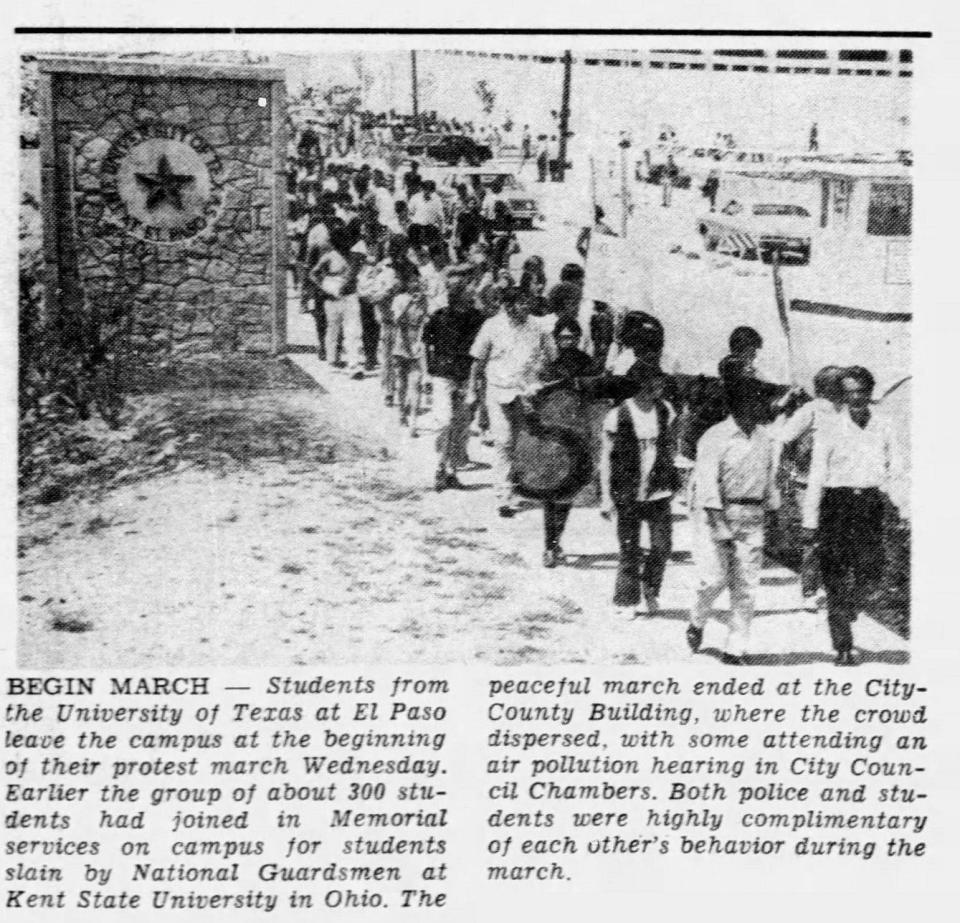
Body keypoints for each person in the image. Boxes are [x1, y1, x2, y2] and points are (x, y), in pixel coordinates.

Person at [802, 366, 907, 666]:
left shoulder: (885, 425)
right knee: (835, 575)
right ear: (842, 396)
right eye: (849, 393)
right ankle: (843, 646)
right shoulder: (830, 427)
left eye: (862, 391)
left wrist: (903, 507)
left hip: (870, 505)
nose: (856, 398)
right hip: (837, 505)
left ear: (871, 392)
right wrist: (810, 521)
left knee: (871, 571)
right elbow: (817, 475)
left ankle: (851, 604)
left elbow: (896, 469)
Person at [686, 377, 780, 665]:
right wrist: (719, 525)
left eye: (762, 400)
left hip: (752, 517)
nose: (761, 405)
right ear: (738, 403)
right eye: (755, 400)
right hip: (718, 515)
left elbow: (769, 479)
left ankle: (734, 648)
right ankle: (697, 619)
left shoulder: (765, 438)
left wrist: (773, 514)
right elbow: (706, 486)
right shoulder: (715, 436)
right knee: (713, 580)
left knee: (746, 586)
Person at [468, 286, 557, 516]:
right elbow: (477, 362)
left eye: (527, 302)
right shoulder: (492, 326)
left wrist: (542, 374)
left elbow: (553, 358)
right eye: (520, 303)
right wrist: (471, 391)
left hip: (528, 392)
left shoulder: (538, 327)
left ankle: (521, 486)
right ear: (508, 306)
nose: (526, 306)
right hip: (499, 391)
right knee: (504, 441)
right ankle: (503, 495)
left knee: (525, 443)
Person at [600, 365, 680, 613]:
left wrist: (672, 478)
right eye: (655, 383)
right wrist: (605, 497)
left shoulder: (665, 409)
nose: (660, 387)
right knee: (629, 549)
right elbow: (606, 458)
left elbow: (671, 445)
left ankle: (651, 586)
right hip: (628, 492)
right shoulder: (618, 414)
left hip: (658, 491)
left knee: (662, 546)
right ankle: (626, 600)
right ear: (641, 384)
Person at [538, 317, 600, 566]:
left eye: (572, 337)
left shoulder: (587, 364)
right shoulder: (550, 366)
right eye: (563, 337)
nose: (567, 342)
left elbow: (594, 398)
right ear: (556, 339)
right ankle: (549, 545)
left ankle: (555, 541)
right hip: (553, 433)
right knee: (551, 492)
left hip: (577, 433)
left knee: (567, 492)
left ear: (578, 338)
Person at [423, 283, 486, 490]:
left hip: (465, 375)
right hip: (443, 375)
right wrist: (427, 374)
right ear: (457, 300)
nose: (471, 301)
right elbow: (426, 345)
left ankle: (450, 471)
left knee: (461, 424)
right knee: (445, 420)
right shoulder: (438, 317)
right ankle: (441, 467)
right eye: (468, 298)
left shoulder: (477, 319)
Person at [314, 231, 364, 376]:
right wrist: (324, 288)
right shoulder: (329, 256)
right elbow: (313, 273)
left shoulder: (355, 257)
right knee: (333, 328)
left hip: (350, 296)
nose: (347, 244)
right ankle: (332, 360)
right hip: (333, 298)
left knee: (352, 330)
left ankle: (353, 363)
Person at [391, 271, 430, 436]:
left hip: (415, 347)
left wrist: (420, 344)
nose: (417, 288)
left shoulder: (424, 302)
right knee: (402, 385)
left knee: (415, 384)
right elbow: (397, 321)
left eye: (419, 285)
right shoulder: (399, 300)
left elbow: (424, 325)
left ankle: (413, 422)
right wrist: (408, 304)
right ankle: (401, 411)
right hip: (401, 346)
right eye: (414, 284)